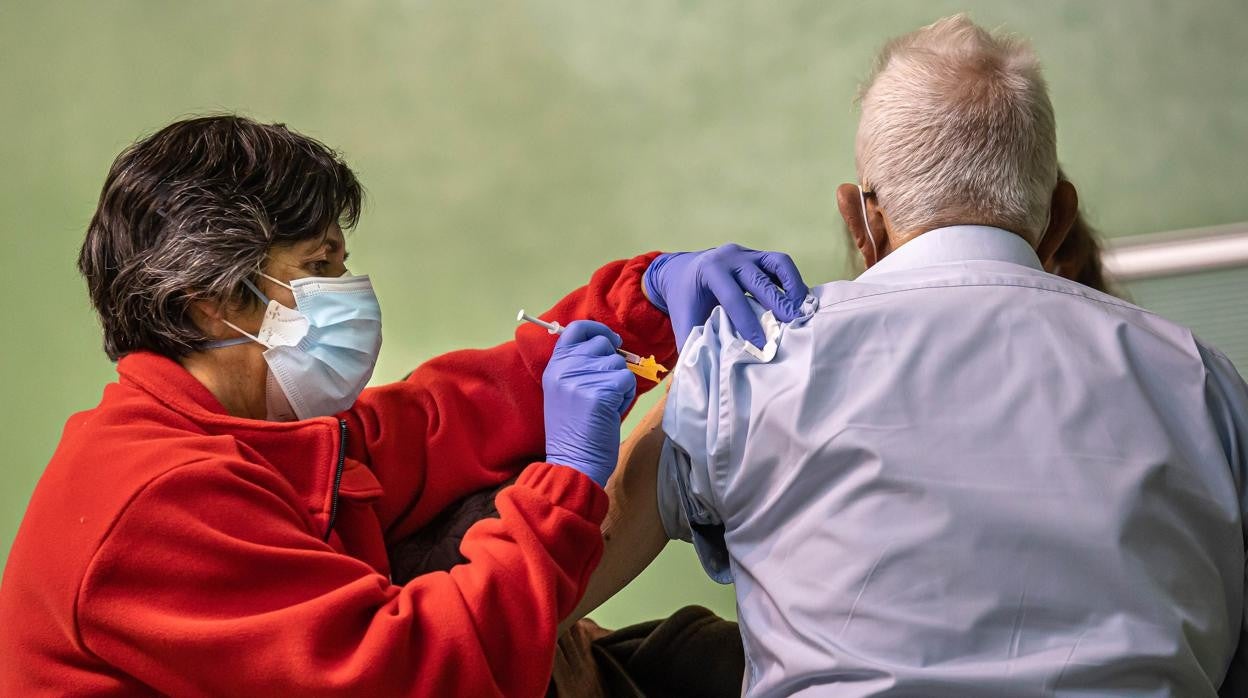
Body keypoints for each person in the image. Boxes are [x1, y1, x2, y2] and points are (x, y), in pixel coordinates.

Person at [0, 115, 810, 696]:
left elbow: (446, 416)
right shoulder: (155, 507)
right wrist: (567, 478)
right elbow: (417, 672)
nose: (349, 293)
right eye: (319, 266)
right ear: (214, 303)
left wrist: (650, 298)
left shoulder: (267, 434)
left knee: (700, 658)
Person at [580, 15, 1248, 696]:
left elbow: (541, 595)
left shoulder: (744, 361)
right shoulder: (1209, 389)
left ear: (862, 217)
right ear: (1061, 213)